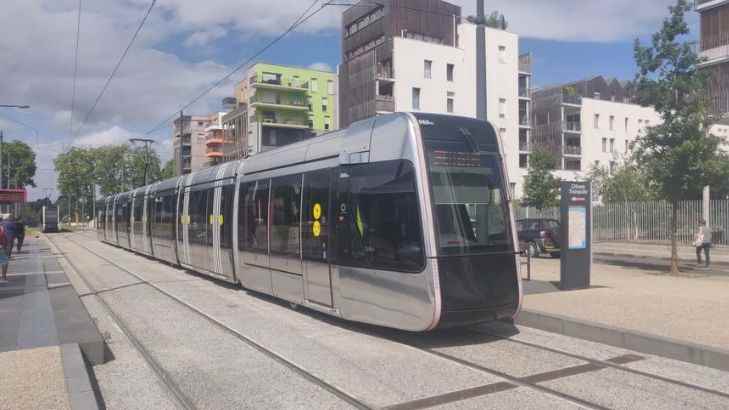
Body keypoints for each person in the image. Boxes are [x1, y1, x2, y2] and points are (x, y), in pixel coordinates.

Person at [0, 218, 8, 282]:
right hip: (1, 247)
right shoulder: (2, 228)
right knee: (4, 262)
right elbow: (4, 237)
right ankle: (3, 277)